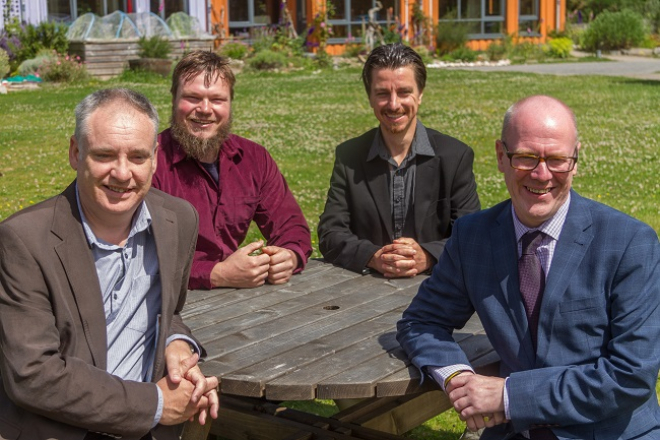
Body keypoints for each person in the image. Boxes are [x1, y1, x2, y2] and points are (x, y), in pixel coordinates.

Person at [397, 95, 660, 439]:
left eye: (557, 160)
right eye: (525, 157)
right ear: (501, 156)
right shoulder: (472, 236)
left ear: (575, 160)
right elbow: (422, 321)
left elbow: (630, 376)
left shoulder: (629, 243)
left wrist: (507, 396)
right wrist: (459, 379)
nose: (541, 174)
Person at [0, 88, 219, 440]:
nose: (122, 173)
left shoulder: (178, 219)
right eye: (105, 155)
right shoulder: (23, 240)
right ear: (75, 152)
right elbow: (32, 375)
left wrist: (177, 342)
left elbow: (168, 310)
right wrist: (156, 404)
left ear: (155, 158)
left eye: (137, 156)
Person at [153, 50, 312, 290]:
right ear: (174, 99)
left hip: (235, 305)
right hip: (165, 302)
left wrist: (289, 256)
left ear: (230, 103)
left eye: (217, 100)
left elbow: (291, 225)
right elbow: (137, 255)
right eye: (193, 98)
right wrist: (215, 274)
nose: (205, 109)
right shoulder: (148, 161)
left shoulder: (253, 159)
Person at [318, 43, 480, 277]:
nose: (394, 104)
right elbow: (330, 232)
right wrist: (373, 257)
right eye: (383, 93)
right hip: (363, 293)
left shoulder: (455, 156)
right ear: (370, 98)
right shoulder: (349, 156)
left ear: (420, 94)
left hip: (436, 288)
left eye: (404, 92)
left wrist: (428, 256)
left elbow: (472, 235)